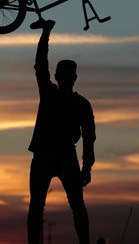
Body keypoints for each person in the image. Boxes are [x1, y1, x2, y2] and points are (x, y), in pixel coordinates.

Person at [27, 19, 96, 244]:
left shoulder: (82, 104)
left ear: (74, 78)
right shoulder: (49, 93)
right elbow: (40, 64)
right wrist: (45, 34)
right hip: (44, 156)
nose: (66, 79)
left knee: (76, 205)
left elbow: (89, 136)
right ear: (57, 77)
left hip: (66, 156)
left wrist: (87, 166)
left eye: (70, 76)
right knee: (37, 206)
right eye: (63, 75)